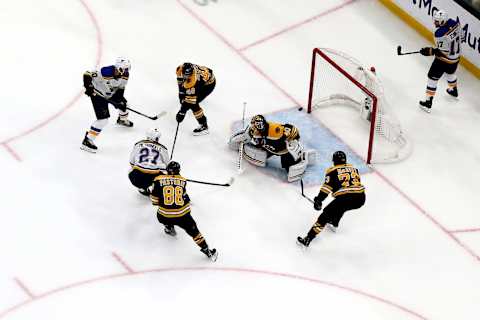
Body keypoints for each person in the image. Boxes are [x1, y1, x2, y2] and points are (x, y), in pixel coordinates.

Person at [150, 161, 218, 261]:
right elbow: (184, 195)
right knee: (195, 232)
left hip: (164, 215)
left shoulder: (157, 179)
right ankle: (206, 250)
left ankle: (169, 228)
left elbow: (154, 201)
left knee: (162, 215)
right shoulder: (183, 180)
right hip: (182, 216)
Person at [297, 151, 365, 247]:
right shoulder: (354, 169)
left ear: (334, 161)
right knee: (342, 207)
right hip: (360, 198)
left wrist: (318, 200)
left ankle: (307, 239)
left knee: (324, 217)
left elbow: (326, 189)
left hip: (344, 198)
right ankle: (334, 223)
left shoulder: (332, 171)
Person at [229, 114, 316, 182]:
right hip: (268, 149)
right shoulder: (253, 131)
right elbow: (242, 136)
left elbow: (291, 130)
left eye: (260, 125)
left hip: (283, 152)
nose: (258, 128)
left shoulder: (275, 129)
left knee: (290, 168)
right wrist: (236, 142)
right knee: (259, 153)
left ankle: (300, 159)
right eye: (256, 126)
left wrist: (292, 136)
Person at [81, 57, 134, 153]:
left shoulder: (125, 75)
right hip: (97, 94)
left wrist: (119, 101)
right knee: (103, 120)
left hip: (110, 93)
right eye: (124, 69)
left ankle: (122, 120)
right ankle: (87, 140)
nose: (126, 71)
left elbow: (121, 89)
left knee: (125, 105)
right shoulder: (106, 71)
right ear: (118, 67)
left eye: (127, 69)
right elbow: (87, 74)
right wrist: (89, 88)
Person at [419, 9, 464, 113]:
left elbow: (442, 51)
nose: (435, 23)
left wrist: (430, 51)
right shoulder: (455, 23)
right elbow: (462, 38)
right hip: (456, 58)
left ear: (443, 21)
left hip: (443, 60)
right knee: (450, 73)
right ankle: (453, 90)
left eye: (437, 21)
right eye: (435, 20)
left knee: (432, 78)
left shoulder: (439, 33)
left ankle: (427, 103)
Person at [175, 62, 216, 135]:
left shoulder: (194, 82)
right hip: (204, 76)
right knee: (188, 97)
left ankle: (204, 125)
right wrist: (181, 93)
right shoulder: (180, 68)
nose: (185, 77)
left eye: (187, 76)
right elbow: (180, 80)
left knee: (193, 104)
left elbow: (190, 101)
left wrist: (182, 112)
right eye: (184, 75)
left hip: (208, 85)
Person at [128, 128, 169, 196]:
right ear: (156, 138)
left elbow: (131, 161)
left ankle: (142, 188)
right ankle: (157, 188)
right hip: (153, 178)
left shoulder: (138, 144)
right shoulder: (163, 148)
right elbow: (167, 165)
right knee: (164, 170)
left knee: (131, 169)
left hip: (136, 178)